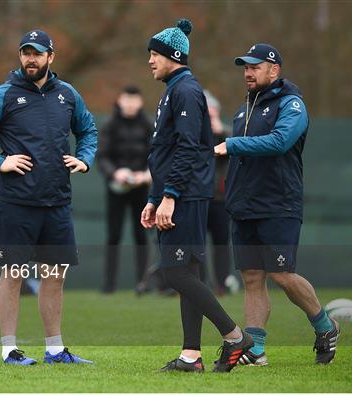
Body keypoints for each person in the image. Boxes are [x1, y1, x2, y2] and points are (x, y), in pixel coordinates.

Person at [0, 29, 97, 365]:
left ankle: (55, 350)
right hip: (16, 202)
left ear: (51, 56)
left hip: (57, 201)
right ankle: (9, 350)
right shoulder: (3, 95)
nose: (30, 59)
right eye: (25, 52)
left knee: (55, 274)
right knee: (13, 273)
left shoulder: (68, 95)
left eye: (36, 53)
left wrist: (85, 158)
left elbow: (88, 130)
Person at [214, 43, 340, 366]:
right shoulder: (244, 108)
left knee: (282, 274)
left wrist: (231, 143)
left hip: (278, 204)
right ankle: (255, 349)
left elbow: (281, 142)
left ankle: (325, 327)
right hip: (244, 206)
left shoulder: (291, 104)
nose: (248, 72)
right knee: (252, 277)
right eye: (245, 67)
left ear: (274, 69)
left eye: (254, 67)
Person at [140, 19, 252, 373]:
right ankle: (191, 356)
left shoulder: (186, 90)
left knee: (175, 273)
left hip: (186, 196)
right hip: (176, 194)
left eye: (154, 54)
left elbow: (188, 148)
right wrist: (154, 197)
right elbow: (164, 151)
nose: (150, 61)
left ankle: (235, 337)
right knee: (186, 271)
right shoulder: (173, 89)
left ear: (173, 56)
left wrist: (170, 195)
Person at [98, 85, 152, 294]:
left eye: (133, 99)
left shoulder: (148, 125)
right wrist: (115, 173)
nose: (130, 104)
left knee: (141, 235)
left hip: (140, 188)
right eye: (126, 99)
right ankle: (109, 285)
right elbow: (102, 156)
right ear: (120, 101)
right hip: (116, 189)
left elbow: (156, 155)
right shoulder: (110, 125)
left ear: (140, 102)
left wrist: (145, 175)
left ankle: (143, 283)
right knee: (114, 235)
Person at [201, 90, 233, 295]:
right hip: (199, 198)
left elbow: (233, 147)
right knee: (198, 244)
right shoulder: (195, 135)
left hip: (220, 200)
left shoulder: (227, 133)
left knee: (221, 244)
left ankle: (221, 284)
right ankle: (199, 283)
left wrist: (219, 132)